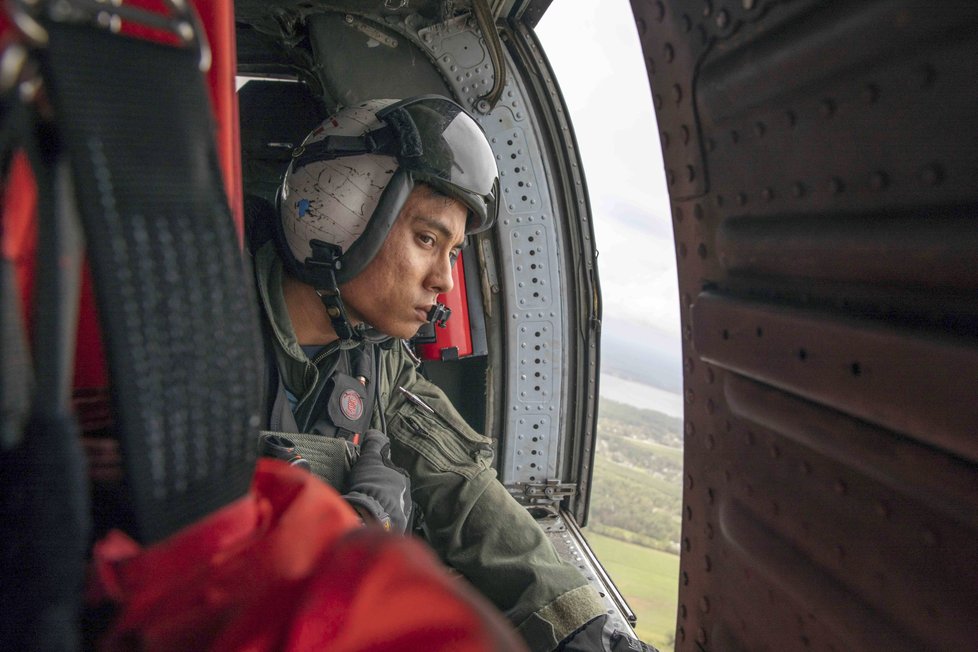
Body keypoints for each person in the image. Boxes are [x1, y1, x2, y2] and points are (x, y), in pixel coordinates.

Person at [251, 95, 654, 652]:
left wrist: (583, 628)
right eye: (426, 239)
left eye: (454, 252)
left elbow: (462, 486)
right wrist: (353, 536)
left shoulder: (377, 358)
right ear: (341, 214)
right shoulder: (204, 321)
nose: (444, 279)